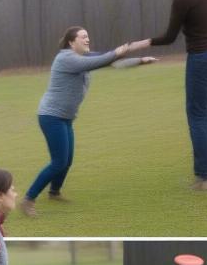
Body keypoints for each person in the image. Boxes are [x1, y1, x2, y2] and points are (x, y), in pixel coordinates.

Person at [20, 27, 156, 216]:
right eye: (83, 37)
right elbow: (105, 58)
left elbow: (113, 62)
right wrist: (118, 51)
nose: (87, 40)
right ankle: (28, 199)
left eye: (88, 37)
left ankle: (54, 192)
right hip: (51, 116)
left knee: (67, 160)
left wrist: (140, 60)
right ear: (71, 42)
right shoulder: (66, 58)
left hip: (66, 118)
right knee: (59, 162)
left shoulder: (84, 58)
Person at [129, 0, 207, 192]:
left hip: (202, 58)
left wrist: (141, 43)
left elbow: (170, 36)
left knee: (196, 116)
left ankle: (204, 179)